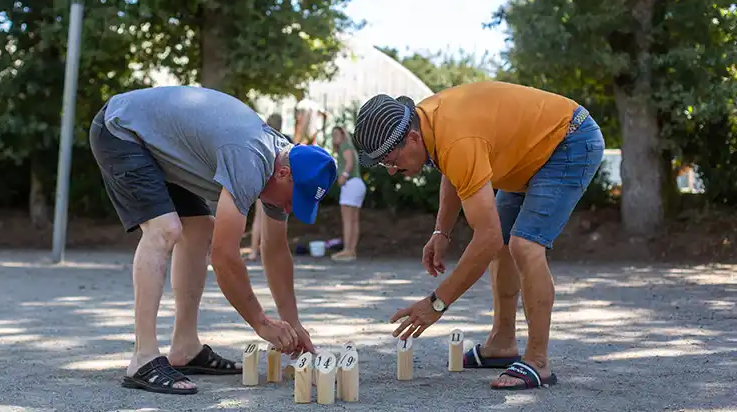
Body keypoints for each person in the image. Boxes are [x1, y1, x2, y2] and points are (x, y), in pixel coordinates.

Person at [351, 81, 604, 391]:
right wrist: (441, 231)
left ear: (413, 138)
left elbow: (487, 238)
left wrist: (437, 303)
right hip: (529, 155)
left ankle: (538, 360)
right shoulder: (430, 121)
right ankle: (501, 343)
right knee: (504, 245)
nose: (390, 170)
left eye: (390, 160)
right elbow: (451, 168)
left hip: (568, 141)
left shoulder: (456, 136)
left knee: (523, 245)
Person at [89, 86, 336, 395]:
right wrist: (261, 322)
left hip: (160, 146)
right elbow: (224, 257)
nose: (289, 209)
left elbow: (275, 250)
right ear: (284, 173)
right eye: (293, 200)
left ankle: (185, 347)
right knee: (165, 229)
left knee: (200, 227)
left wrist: (292, 323)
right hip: (122, 130)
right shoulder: (252, 159)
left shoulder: (283, 165)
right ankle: (143, 358)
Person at [247, 113, 292, 261]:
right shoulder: (286, 140)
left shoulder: (261, 138)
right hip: (279, 186)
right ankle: (276, 250)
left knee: (258, 219)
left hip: (262, 183)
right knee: (280, 219)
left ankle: (254, 251)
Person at [330, 125, 367, 262]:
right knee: (354, 220)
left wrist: (343, 176)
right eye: (333, 135)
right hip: (358, 184)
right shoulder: (349, 147)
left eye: (337, 135)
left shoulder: (345, 147)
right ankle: (352, 250)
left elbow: (349, 163)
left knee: (347, 220)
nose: (335, 138)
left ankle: (347, 250)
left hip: (350, 184)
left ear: (343, 135)